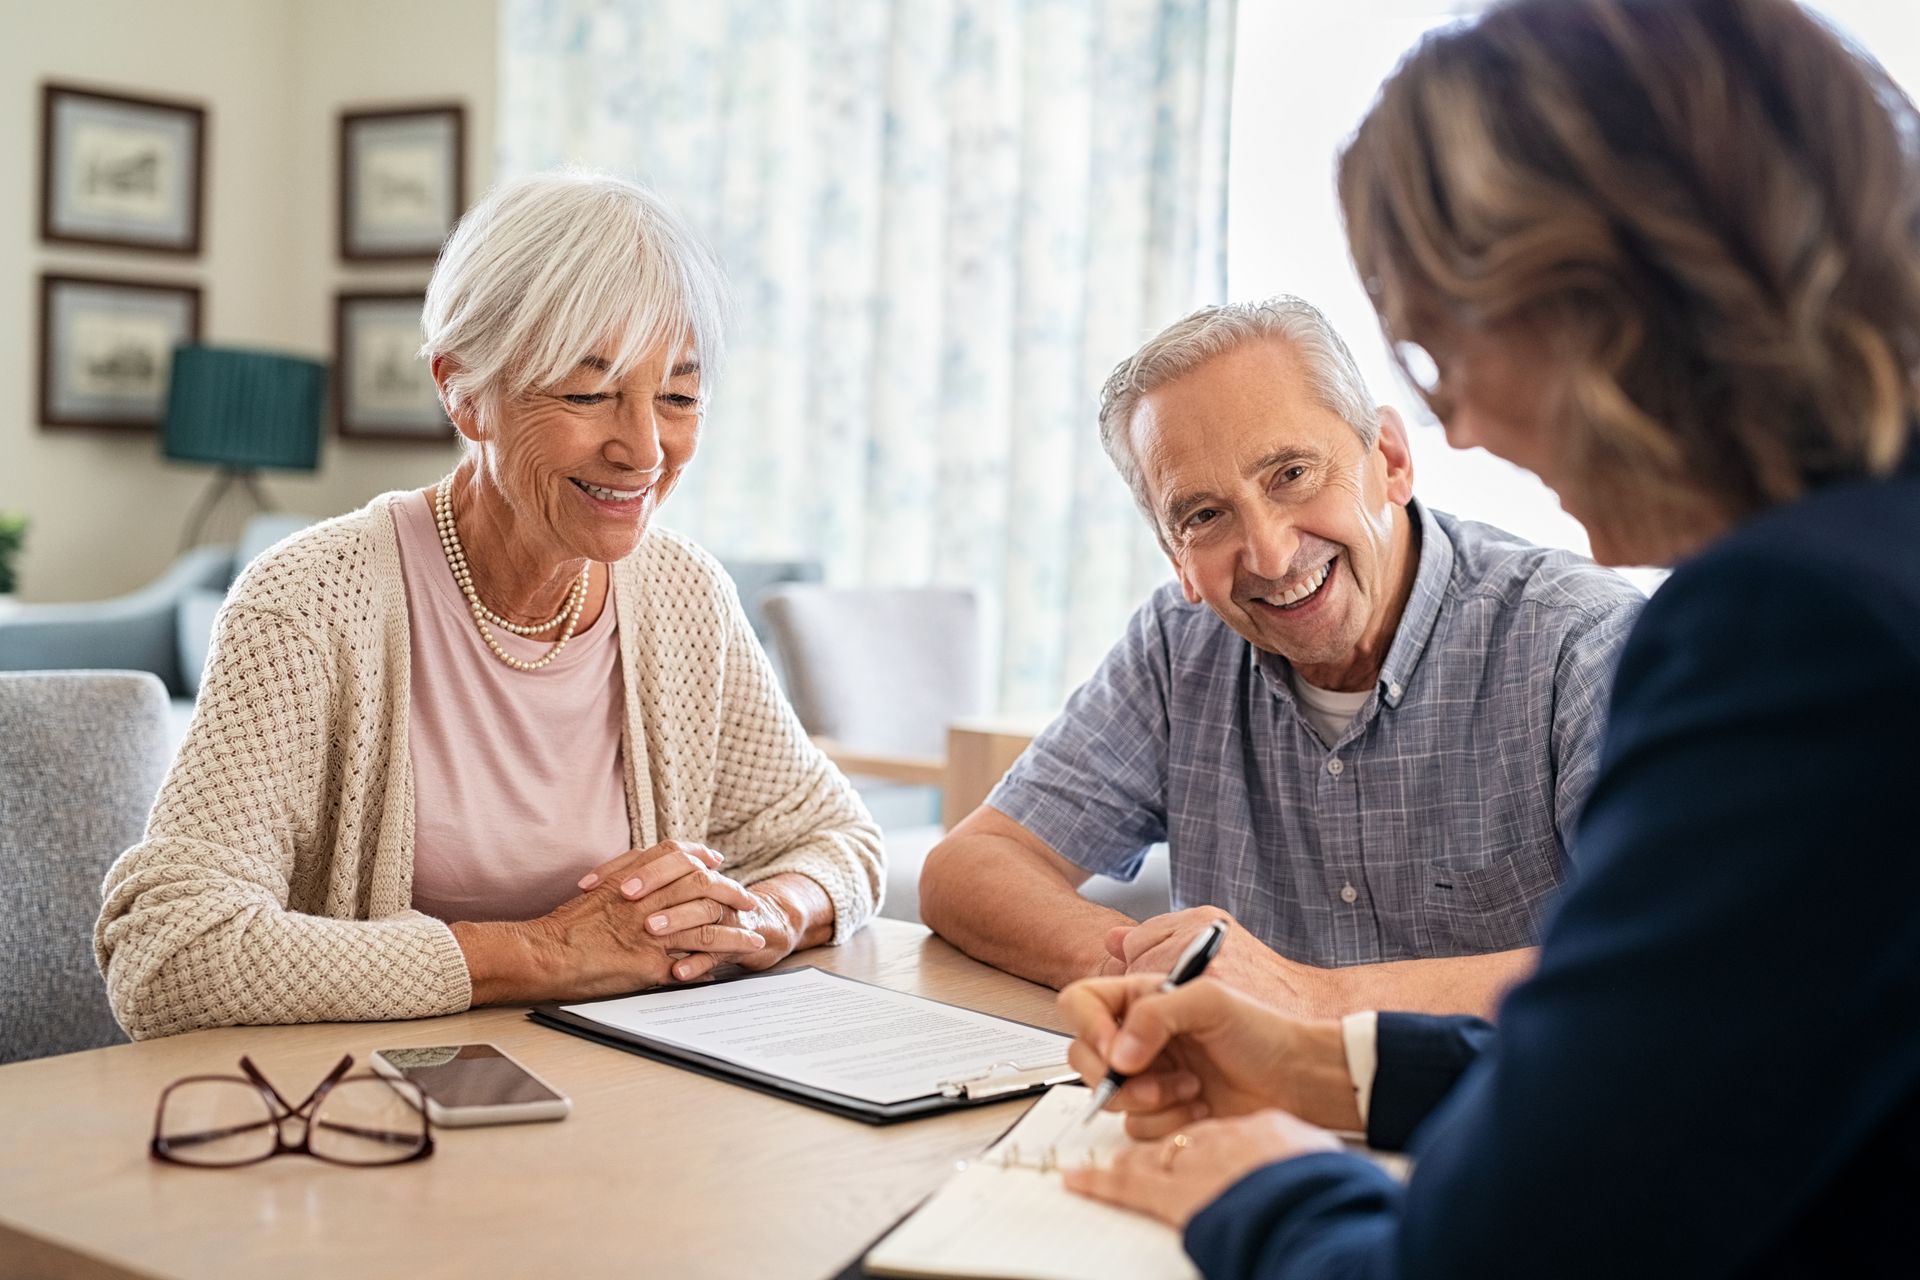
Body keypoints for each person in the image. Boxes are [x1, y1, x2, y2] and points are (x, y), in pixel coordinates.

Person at [1056, 0, 1920, 1272]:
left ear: (1593, 296)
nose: (1454, 422)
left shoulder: (1790, 633)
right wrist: (1330, 1067)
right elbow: (1681, 1066)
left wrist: (1266, 1189)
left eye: (1439, 337)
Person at [95, 172, 884, 1040]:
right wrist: (547, 953)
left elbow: (838, 842)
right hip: (378, 1109)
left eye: (680, 397)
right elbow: (169, 956)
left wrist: (761, 918)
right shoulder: (309, 603)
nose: (645, 449)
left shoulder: (684, 594)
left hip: (638, 1100)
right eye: (589, 395)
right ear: (464, 392)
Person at [920, 297, 1643, 1019]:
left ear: (1389, 460)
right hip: (1241, 1124)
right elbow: (968, 868)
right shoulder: (1180, 647)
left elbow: (1670, 958)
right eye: (1205, 516)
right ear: (1179, 558)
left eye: (1291, 474)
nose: (1268, 553)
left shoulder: (1582, 643)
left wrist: (1305, 998)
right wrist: (1165, 973)